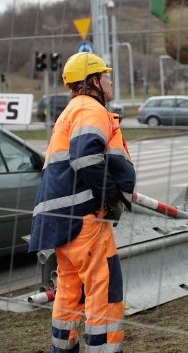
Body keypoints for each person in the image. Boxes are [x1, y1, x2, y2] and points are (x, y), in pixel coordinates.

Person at [28, 52, 136, 353]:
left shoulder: (70, 111)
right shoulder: (90, 109)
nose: (110, 80)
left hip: (61, 221)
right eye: (105, 75)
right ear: (93, 82)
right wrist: (110, 194)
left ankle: (63, 349)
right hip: (85, 218)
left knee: (68, 292)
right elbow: (86, 156)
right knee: (105, 291)